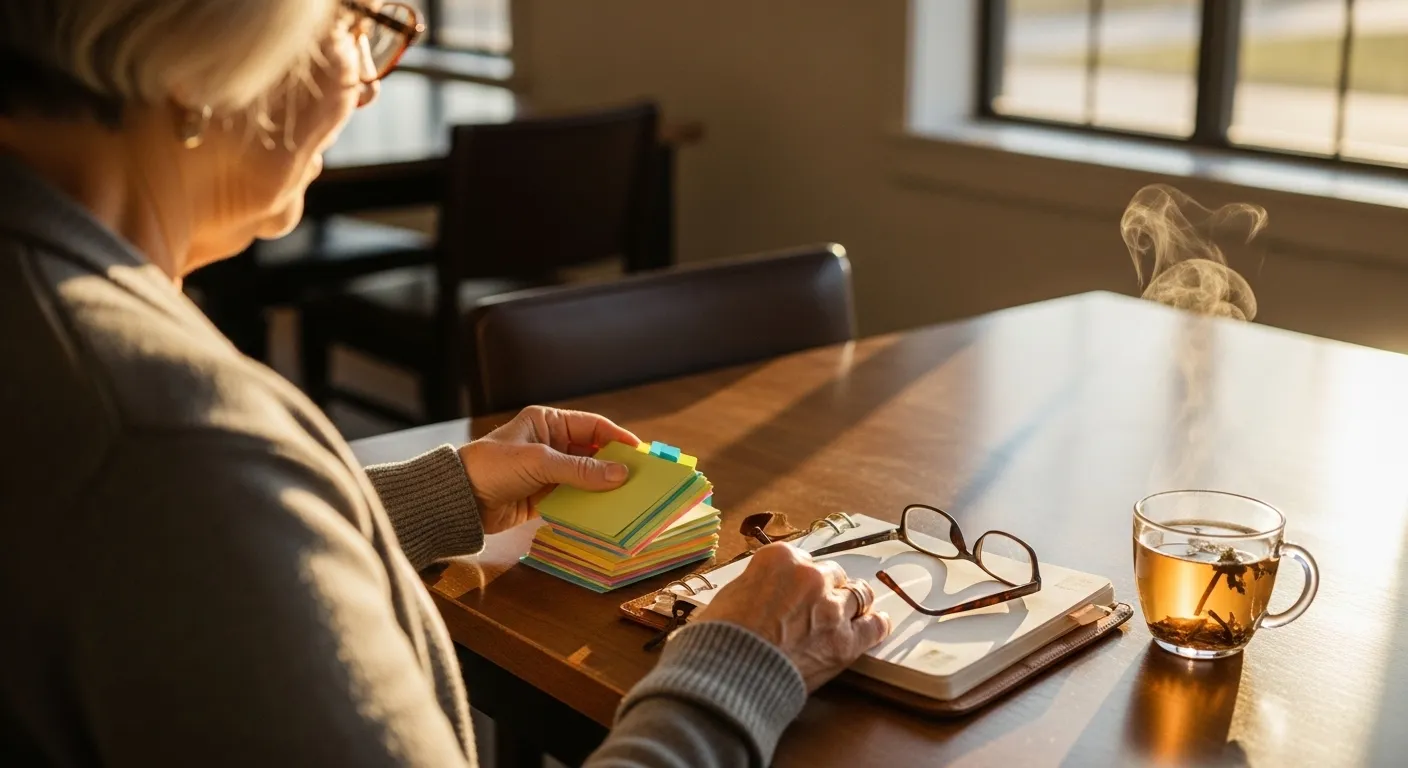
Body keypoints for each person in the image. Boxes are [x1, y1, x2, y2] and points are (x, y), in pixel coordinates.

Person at [0, 2, 892, 765]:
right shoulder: (168, 437)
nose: (371, 77)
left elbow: (167, 568)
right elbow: (179, 504)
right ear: (201, 49)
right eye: (357, 19)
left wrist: (430, 494)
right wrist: (736, 663)